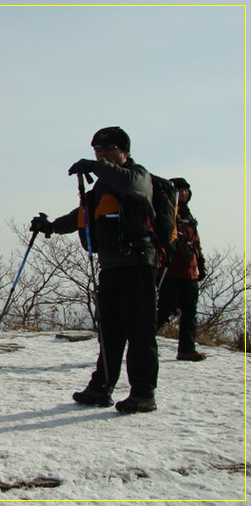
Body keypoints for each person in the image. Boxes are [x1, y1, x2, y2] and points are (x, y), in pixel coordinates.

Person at [30, 126, 159, 414]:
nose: (100, 154)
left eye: (107, 148)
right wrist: (50, 227)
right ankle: (101, 387)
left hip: (138, 265)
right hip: (111, 266)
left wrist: (95, 167)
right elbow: (83, 215)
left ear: (124, 151)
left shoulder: (139, 177)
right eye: (96, 150)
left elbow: (127, 182)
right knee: (110, 332)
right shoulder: (102, 185)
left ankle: (143, 393)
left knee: (139, 333)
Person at [157, 177, 207, 362]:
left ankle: (187, 349)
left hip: (189, 269)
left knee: (189, 311)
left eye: (186, 190)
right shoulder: (166, 212)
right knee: (165, 309)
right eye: (180, 190)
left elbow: (196, 241)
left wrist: (200, 262)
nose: (184, 193)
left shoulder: (188, 216)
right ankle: (142, 343)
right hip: (171, 270)